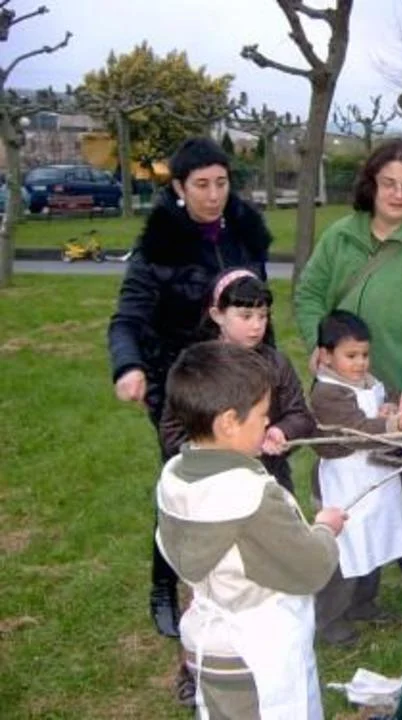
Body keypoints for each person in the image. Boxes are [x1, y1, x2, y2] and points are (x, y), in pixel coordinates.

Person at [107, 136, 273, 640]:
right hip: (180, 387)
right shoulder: (158, 247)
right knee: (187, 485)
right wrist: (128, 367)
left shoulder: (245, 234)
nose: (213, 194)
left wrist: (269, 369)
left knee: (247, 477)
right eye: (201, 184)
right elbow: (127, 319)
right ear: (179, 188)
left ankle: (244, 570)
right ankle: (165, 584)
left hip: (241, 381)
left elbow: (258, 306)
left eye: (221, 182)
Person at [294, 138, 402, 606]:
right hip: (350, 387)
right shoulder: (340, 237)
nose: (398, 194)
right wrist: (318, 345)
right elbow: (309, 294)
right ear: (370, 185)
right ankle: (354, 577)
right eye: (388, 183)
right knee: (352, 477)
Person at [155, 341, 345, 719]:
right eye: (261, 416)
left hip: (211, 645)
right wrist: (325, 529)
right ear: (228, 422)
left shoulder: (176, 475)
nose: (268, 422)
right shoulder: (252, 497)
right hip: (259, 651)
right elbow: (310, 568)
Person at [308, 310, 402, 646]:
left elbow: (374, 410)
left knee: (374, 541)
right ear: (326, 355)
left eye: (364, 355)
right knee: (346, 552)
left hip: (374, 478)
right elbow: (356, 431)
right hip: (345, 484)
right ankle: (330, 620)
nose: (360, 363)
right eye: (351, 356)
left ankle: (363, 603)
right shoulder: (327, 393)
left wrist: (388, 410)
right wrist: (395, 425)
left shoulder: (368, 382)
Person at [159, 269, 314, 495]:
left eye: (263, 316)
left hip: (267, 478)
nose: (257, 325)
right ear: (217, 315)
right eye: (246, 316)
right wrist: (219, 452)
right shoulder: (198, 367)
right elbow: (172, 432)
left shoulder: (277, 364)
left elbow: (300, 415)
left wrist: (283, 431)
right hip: (208, 486)